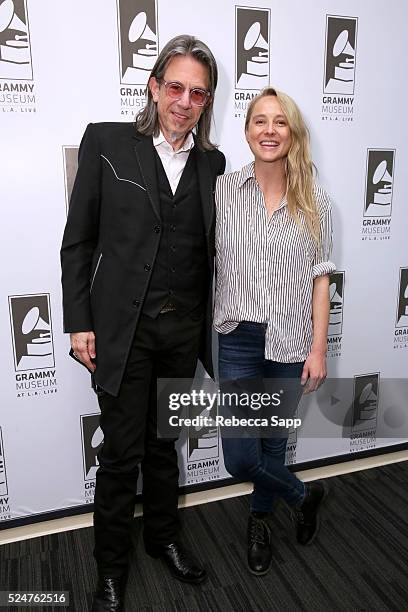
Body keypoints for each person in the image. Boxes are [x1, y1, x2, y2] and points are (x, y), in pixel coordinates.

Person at [61, 34, 225, 612]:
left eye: (197, 93)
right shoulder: (107, 143)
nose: (184, 100)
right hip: (122, 335)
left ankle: (163, 539)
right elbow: (77, 241)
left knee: (165, 448)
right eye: (174, 86)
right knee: (121, 456)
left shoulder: (214, 164)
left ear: (207, 103)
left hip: (182, 333)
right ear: (153, 86)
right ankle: (110, 571)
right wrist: (79, 321)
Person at [214, 87, 335, 576]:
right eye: (259, 121)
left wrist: (318, 348)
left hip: (289, 340)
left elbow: (321, 279)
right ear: (246, 131)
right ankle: (304, 496)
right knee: (240, 458)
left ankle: (259, 520)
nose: (269, 130)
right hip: (238, 339)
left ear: (292, 133)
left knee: (272, 446)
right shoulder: (222, 191)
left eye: (279, 121)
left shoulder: (315, 203)